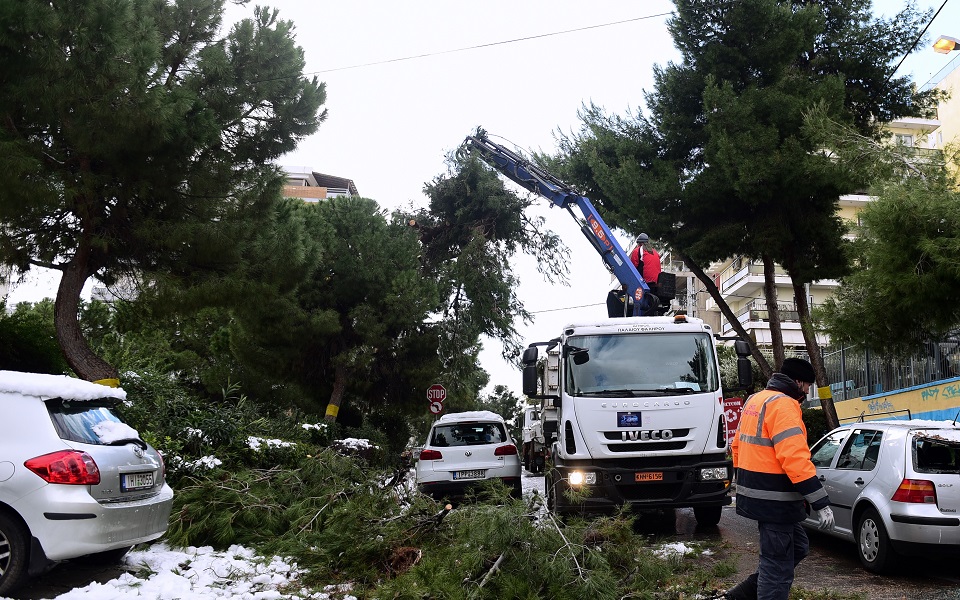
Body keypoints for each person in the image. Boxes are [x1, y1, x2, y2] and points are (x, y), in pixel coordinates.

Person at [724, 357, 834, 600]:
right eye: (807, 387)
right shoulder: (784, 406)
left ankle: (738, 596)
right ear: (797, 382)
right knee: (777, 568)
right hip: (776, 501)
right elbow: (794, 458)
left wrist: (744, 485)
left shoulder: (756, 399)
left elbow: (737, 445)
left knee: (797, 548)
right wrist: (820, 501)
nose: (806, 392)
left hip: (761, 496)